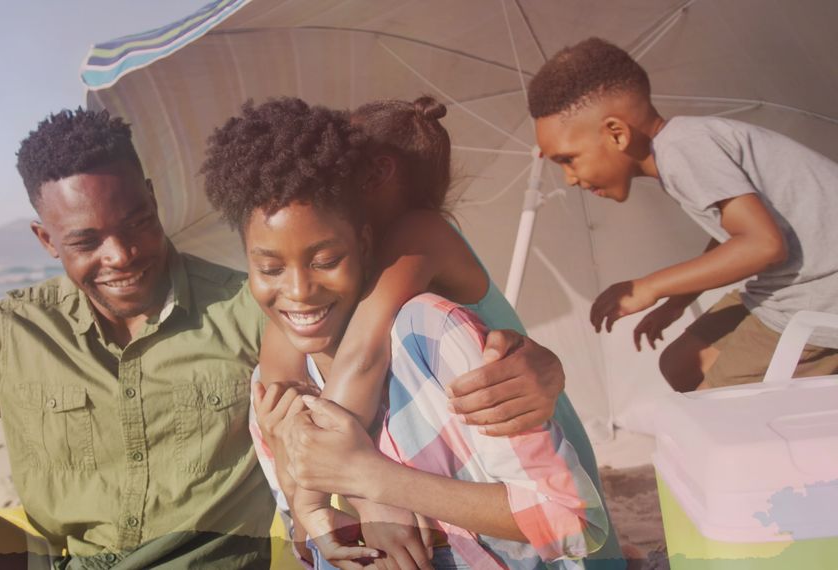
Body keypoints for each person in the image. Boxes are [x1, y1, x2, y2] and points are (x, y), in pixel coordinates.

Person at [0, 108, 568, 569]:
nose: (120, 256)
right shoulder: (13, 333)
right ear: (46, 239)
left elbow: (372, 370)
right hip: (57, 565)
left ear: (152, 197)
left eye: (135, 224)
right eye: (85, 243)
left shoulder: (255, 305)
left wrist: (539, 365)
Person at [200, 97, 610, 569]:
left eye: (342, 168)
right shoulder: (324, 296)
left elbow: (361, 356)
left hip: (517, 427)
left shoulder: (417, 243)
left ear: (375, 174)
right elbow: (280, 366)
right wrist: (308, 463)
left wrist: (350, 482)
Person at [529, 37, 838, 391]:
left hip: (821, 300)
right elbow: (734, 232)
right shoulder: (679, 148)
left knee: (718, 408)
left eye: (568, 159)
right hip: (788, 287)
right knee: (680, 365)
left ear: (616, 134)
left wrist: (649, 287)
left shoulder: (682, 151)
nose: (569, 179)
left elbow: (764, 246)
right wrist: (677, 303)